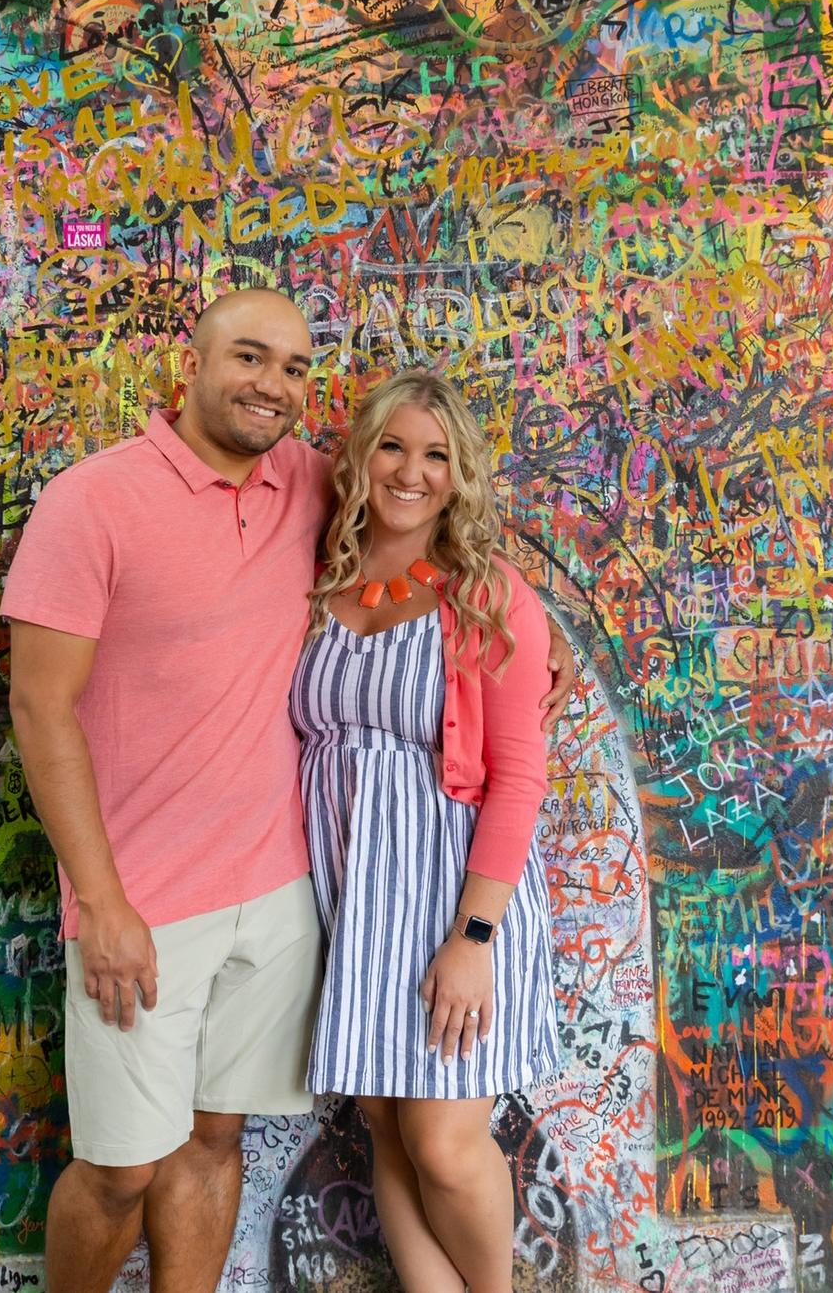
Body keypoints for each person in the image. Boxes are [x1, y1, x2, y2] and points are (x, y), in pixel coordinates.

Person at [2, 288, 574, 1293]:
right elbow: (40, 708)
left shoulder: (312, 485)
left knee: (228, 1138)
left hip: (305, 894)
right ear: (191, 362)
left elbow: (499, 696)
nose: (271, 384)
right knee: (125, 1164)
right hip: (175, 898)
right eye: (248, 357)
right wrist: (97, 899)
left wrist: (536, 634)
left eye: (295, 367)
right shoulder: (98, 499)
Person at [290, 370, 563, 1293]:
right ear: (359, 459)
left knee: (443, 1141)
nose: (412, 472)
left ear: (461, 475)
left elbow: (521, 777)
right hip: (351, 895)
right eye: (394, 448)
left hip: (454, 895)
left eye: (437, 454)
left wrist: (473, 938)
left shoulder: (487, 594)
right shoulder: (316, 576)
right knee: (386, 1129)